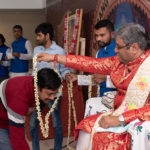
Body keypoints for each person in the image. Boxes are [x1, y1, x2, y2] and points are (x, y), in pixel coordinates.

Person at [36, 23, 150, 149]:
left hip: (139, 119)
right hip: (120, 111)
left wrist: (120, 119)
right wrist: (54, 57)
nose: (115, 50)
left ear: (134, 47)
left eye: (118, 46)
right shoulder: (119, 62)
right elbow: (91, 63)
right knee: (86, 125)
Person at [30, 22, 70, 150]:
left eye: (39, 35)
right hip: (38, 93)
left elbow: (64, 71)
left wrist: (68, 75)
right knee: (33, 123)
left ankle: (57, 148)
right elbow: (34, 72)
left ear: (47, 36)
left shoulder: (59, 51)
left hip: (54, 94)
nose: (37, 38)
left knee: (56, 123)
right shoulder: (37, 50)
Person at [0, 68, 61, 150]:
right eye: (49, 94)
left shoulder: (37, 82)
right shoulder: (19, 99)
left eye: (55, 94)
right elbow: (18, 140)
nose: (53, 98)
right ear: (37, 88)